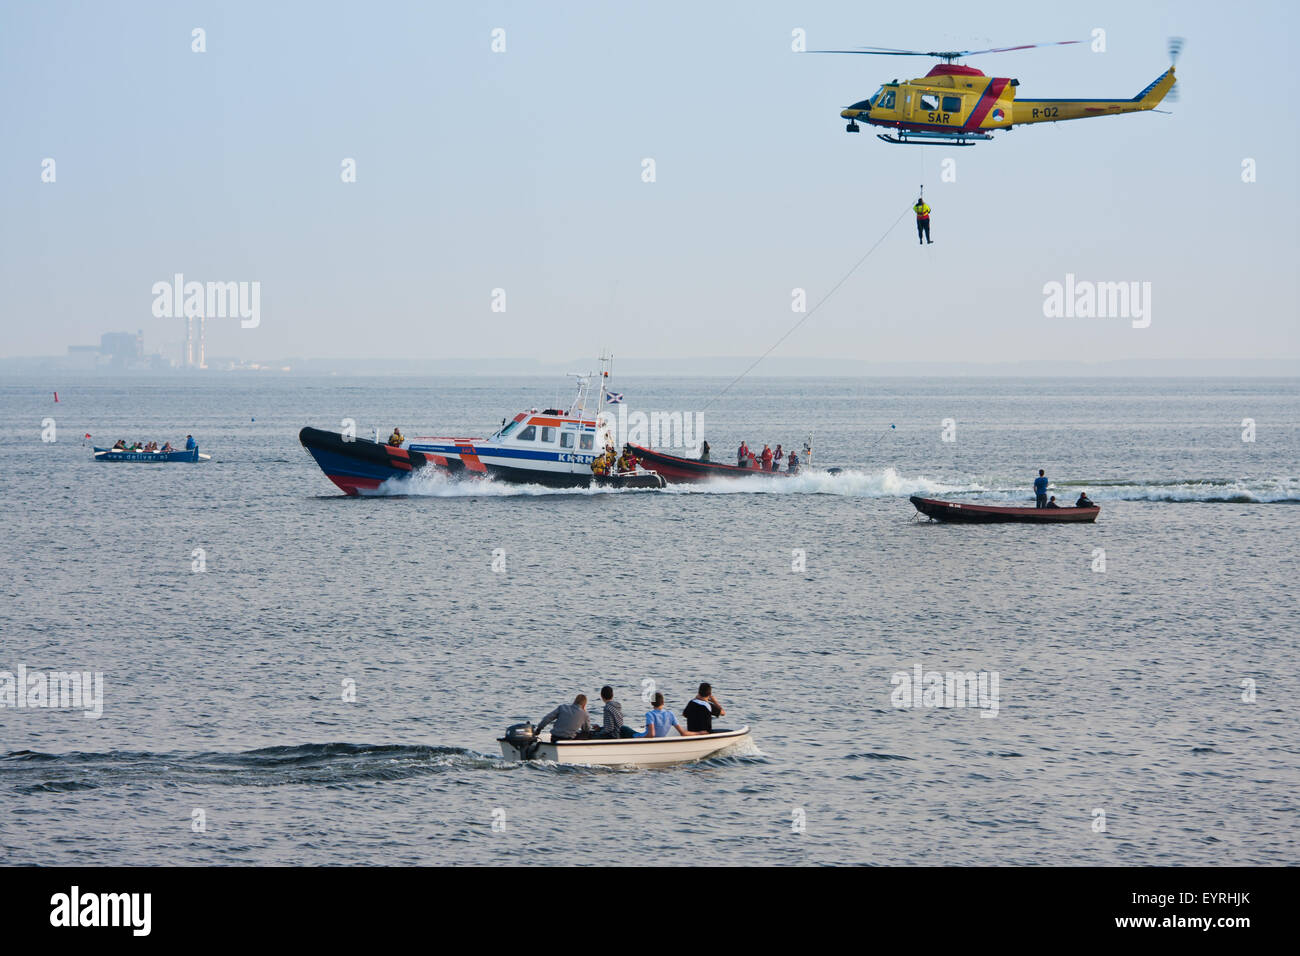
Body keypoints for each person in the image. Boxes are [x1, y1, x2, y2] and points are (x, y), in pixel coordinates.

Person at [636, 692, 702, 738]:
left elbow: (652, 734)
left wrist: (640, 738)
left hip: (642, 737)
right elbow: (683, 733)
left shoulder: (650, 714)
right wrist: (699, 733)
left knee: (626, 729)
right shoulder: (670, 714)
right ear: (663, 702)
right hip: (660, 738)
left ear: (651, 703)